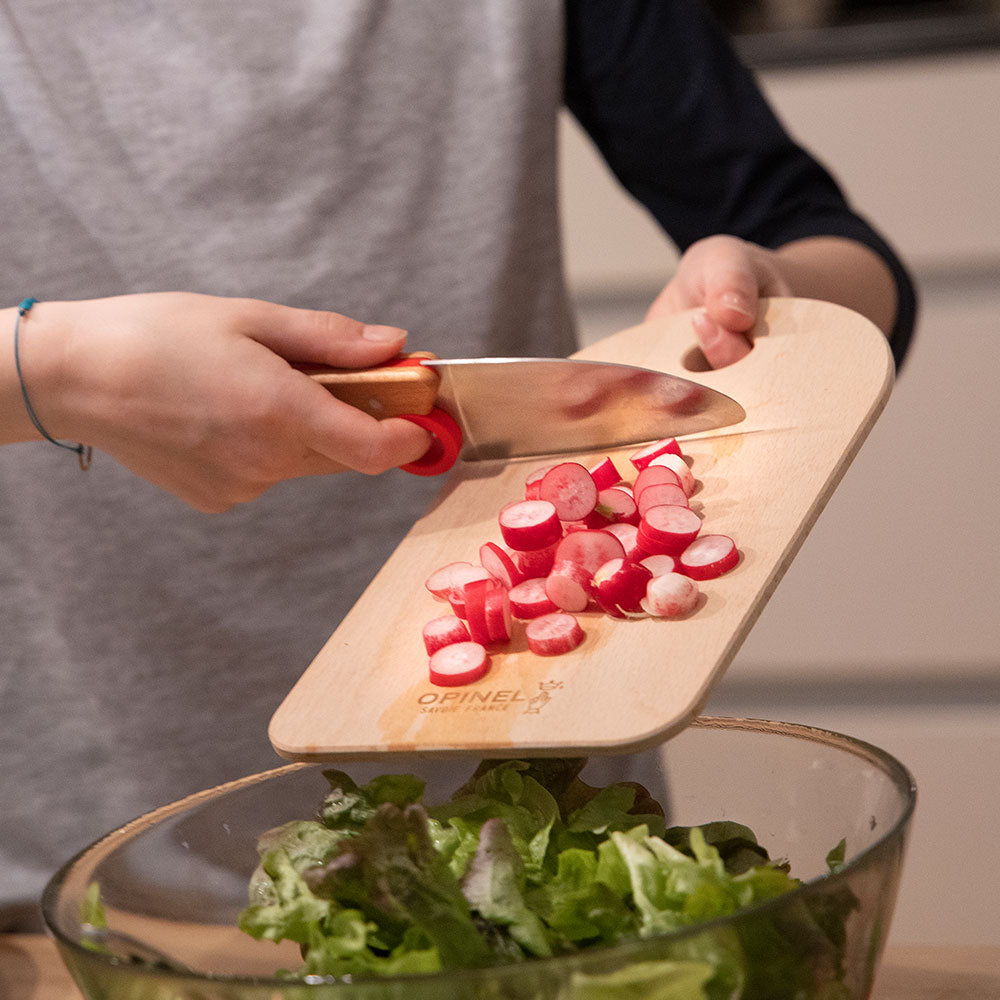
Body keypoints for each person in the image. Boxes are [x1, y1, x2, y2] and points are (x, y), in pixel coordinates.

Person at [0, 1, 915, 929]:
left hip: (547, 855)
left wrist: (773, 292)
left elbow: (827, 244)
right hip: (64, 885)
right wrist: (51, 371)